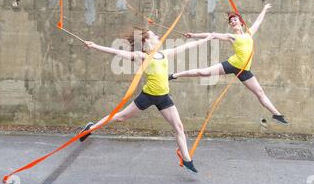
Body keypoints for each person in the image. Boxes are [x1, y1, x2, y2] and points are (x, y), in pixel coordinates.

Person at [79, 28, 215, 173]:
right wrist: (94, 46)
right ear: (146, 40)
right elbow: (117, 52)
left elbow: (185, 47)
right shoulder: (141, 56)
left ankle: (187, 159)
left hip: (164, 97)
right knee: (121, 117)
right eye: (153, 35)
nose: (157, 36)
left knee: (179, 127)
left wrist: (205, 40)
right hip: (148, 95)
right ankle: (90, 129)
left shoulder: (163, 54)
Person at [168, 4, 289, 125]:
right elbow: (212, 35)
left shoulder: (249, 34)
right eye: (231, 21)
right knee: (204, 72)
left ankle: (276, 114)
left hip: (244, 70)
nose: (233, 22)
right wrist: (193, 35)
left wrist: (264, 9)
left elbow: (258, 21)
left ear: (241, 22)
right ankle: (175, 75)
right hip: (232, 64)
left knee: (259, 92)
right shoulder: (231, 37)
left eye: (235, 19)